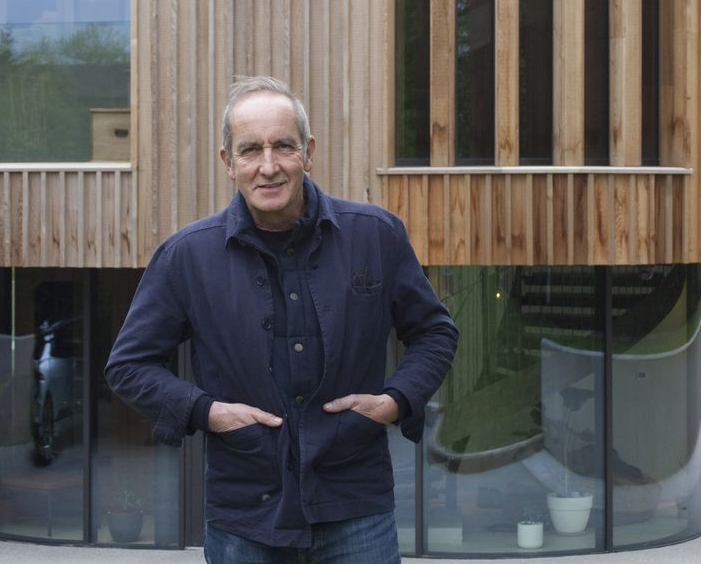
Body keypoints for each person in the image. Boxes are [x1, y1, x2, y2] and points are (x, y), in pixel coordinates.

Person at [105, 75, 458, 563]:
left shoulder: (375, 235)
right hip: (244, 512)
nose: (268, 167)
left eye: (283, 147)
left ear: (308, 152)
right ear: (229, 162)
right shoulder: (188, 255)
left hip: (355, 503)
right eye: (250, 150)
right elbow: (129, 366)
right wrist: (208, 412)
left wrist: (396, 400)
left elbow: (435, 333)